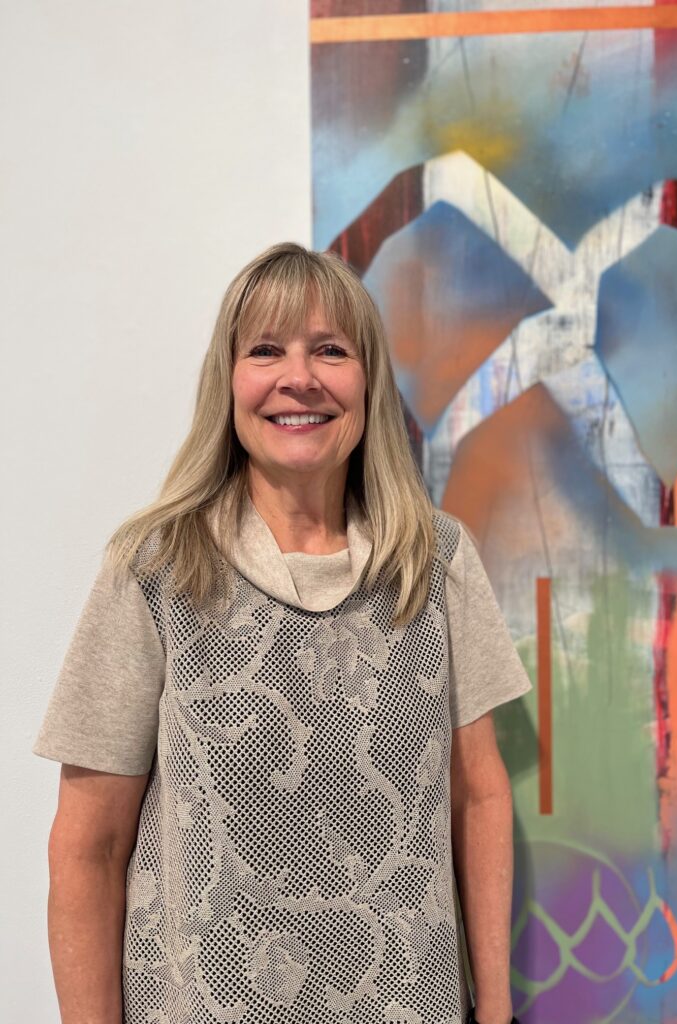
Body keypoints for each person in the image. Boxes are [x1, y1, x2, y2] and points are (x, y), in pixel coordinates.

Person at [33, 242, 531, 1024]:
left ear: (367, 382)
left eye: (330, 351)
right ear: (227, 383)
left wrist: (495, 1011)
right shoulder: (156, 570)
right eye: (266, 350)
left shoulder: (436, 565)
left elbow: (479, 794)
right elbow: (86, 847)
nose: (299, 378)